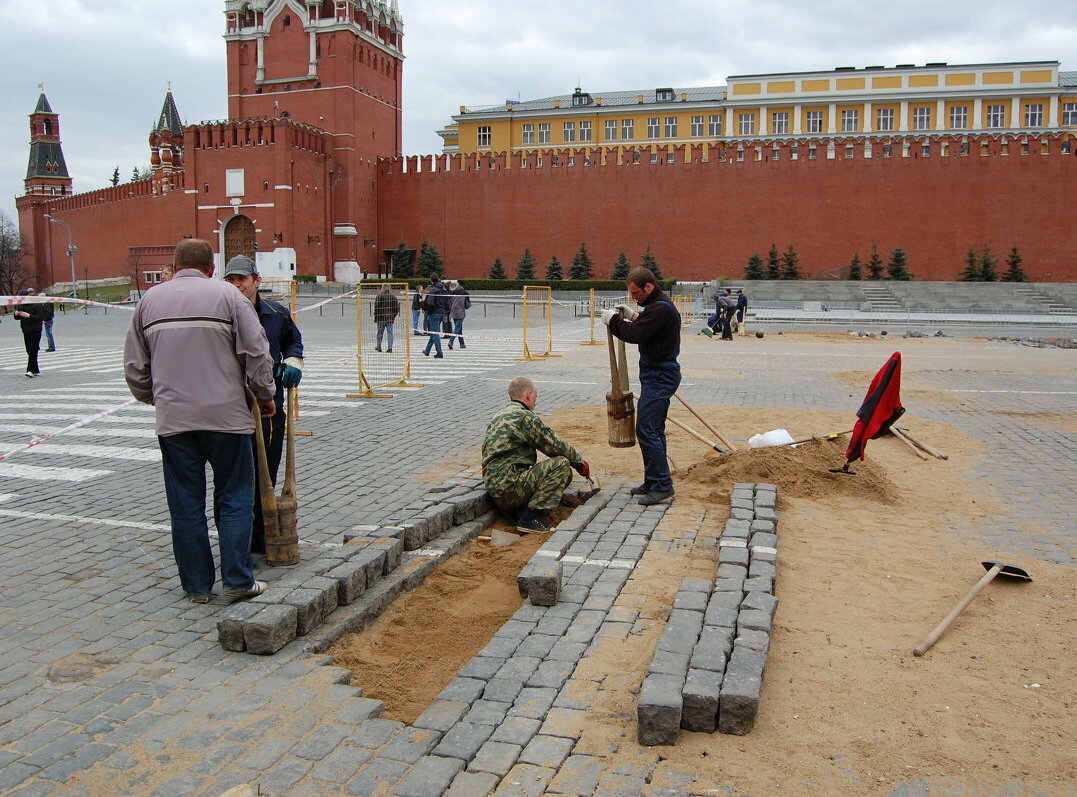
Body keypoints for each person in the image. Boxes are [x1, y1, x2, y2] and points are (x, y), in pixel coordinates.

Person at [124, 239, 276, 604]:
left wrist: (156, 398)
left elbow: (134, 365)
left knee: (185, 504)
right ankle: (239, 579)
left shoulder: (149, 301)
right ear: (212, 268)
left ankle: (196, 587)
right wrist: (265, 394)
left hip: (175, 422)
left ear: (175, 266)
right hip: (227, 418)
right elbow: (256, 350)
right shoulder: (229, 297)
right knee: (235, 498)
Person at [222, 255, 305, 555]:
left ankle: (263, 536)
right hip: (232, 409)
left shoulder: (275, 313)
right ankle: (239, 543)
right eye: (230, 280)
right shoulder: (220, 313)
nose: (236, 285)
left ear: (257, 281)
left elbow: (293, 341)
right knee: (236, 480)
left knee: (266, 473)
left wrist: (292, 363)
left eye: (241, 279)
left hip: (269, 408)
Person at [601, 267, 681, 505]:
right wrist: (634, 315)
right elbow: (647, 326)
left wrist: (615, 321)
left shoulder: (661, 308)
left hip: (660, 377)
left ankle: (662, 485)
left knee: (646, 430)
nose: (633, 297)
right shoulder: (657, 307)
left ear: (649, 287)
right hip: (656, 375)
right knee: (653, 430)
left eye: (636, 293)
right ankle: (654, 481)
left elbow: (636, 334)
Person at [482, 376, 590, 533]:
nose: (536, 401)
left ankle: (517, 509)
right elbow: (555, 444)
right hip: (509, 486)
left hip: (496, 486)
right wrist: (580, 463)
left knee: (565, 474)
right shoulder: (525, 417)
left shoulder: (499, 416)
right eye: (535, 397)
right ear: (528, 394)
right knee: (561, 464)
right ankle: (530, 518)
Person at [13, 288, 45, 377]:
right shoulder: (20, 305)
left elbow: (40, 317)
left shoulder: (36, 305)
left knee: (33, 349)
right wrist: (16, 314)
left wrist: (29, 315)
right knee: (29, 349)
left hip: (36, 329)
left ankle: (30, 370)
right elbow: (17, 318)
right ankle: (35, 369)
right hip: (26, 330)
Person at [422, 274, 450, 358]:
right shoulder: (443, 289)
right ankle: (427, 350)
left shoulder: (432, 290)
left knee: (435, 333)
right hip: (442, 312)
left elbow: (431, 303)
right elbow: (447, 301)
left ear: (431, 280)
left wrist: (429, 312)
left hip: (434, 313)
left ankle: (439, 352)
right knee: (434, 331)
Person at [373, 284, 400, 353]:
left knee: (380, 333)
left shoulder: (379, 296)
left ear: (383, 288)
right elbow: (397, 308)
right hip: (390, 318)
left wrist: (376, 316)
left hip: (380, 318)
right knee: (390, 333)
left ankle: (379, 347)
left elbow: (376, 307)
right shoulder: (394, 297)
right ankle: (390, 347)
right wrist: (393, 316)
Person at [447, 280, 471, 349]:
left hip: (453, 312)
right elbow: (467, 304)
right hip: (460, 312)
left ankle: (462, 344)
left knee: (459, 328)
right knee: (457, 327)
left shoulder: (453, 292)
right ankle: (451, 341)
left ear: (459, 284)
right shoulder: (465, 293)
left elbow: (449, 302)